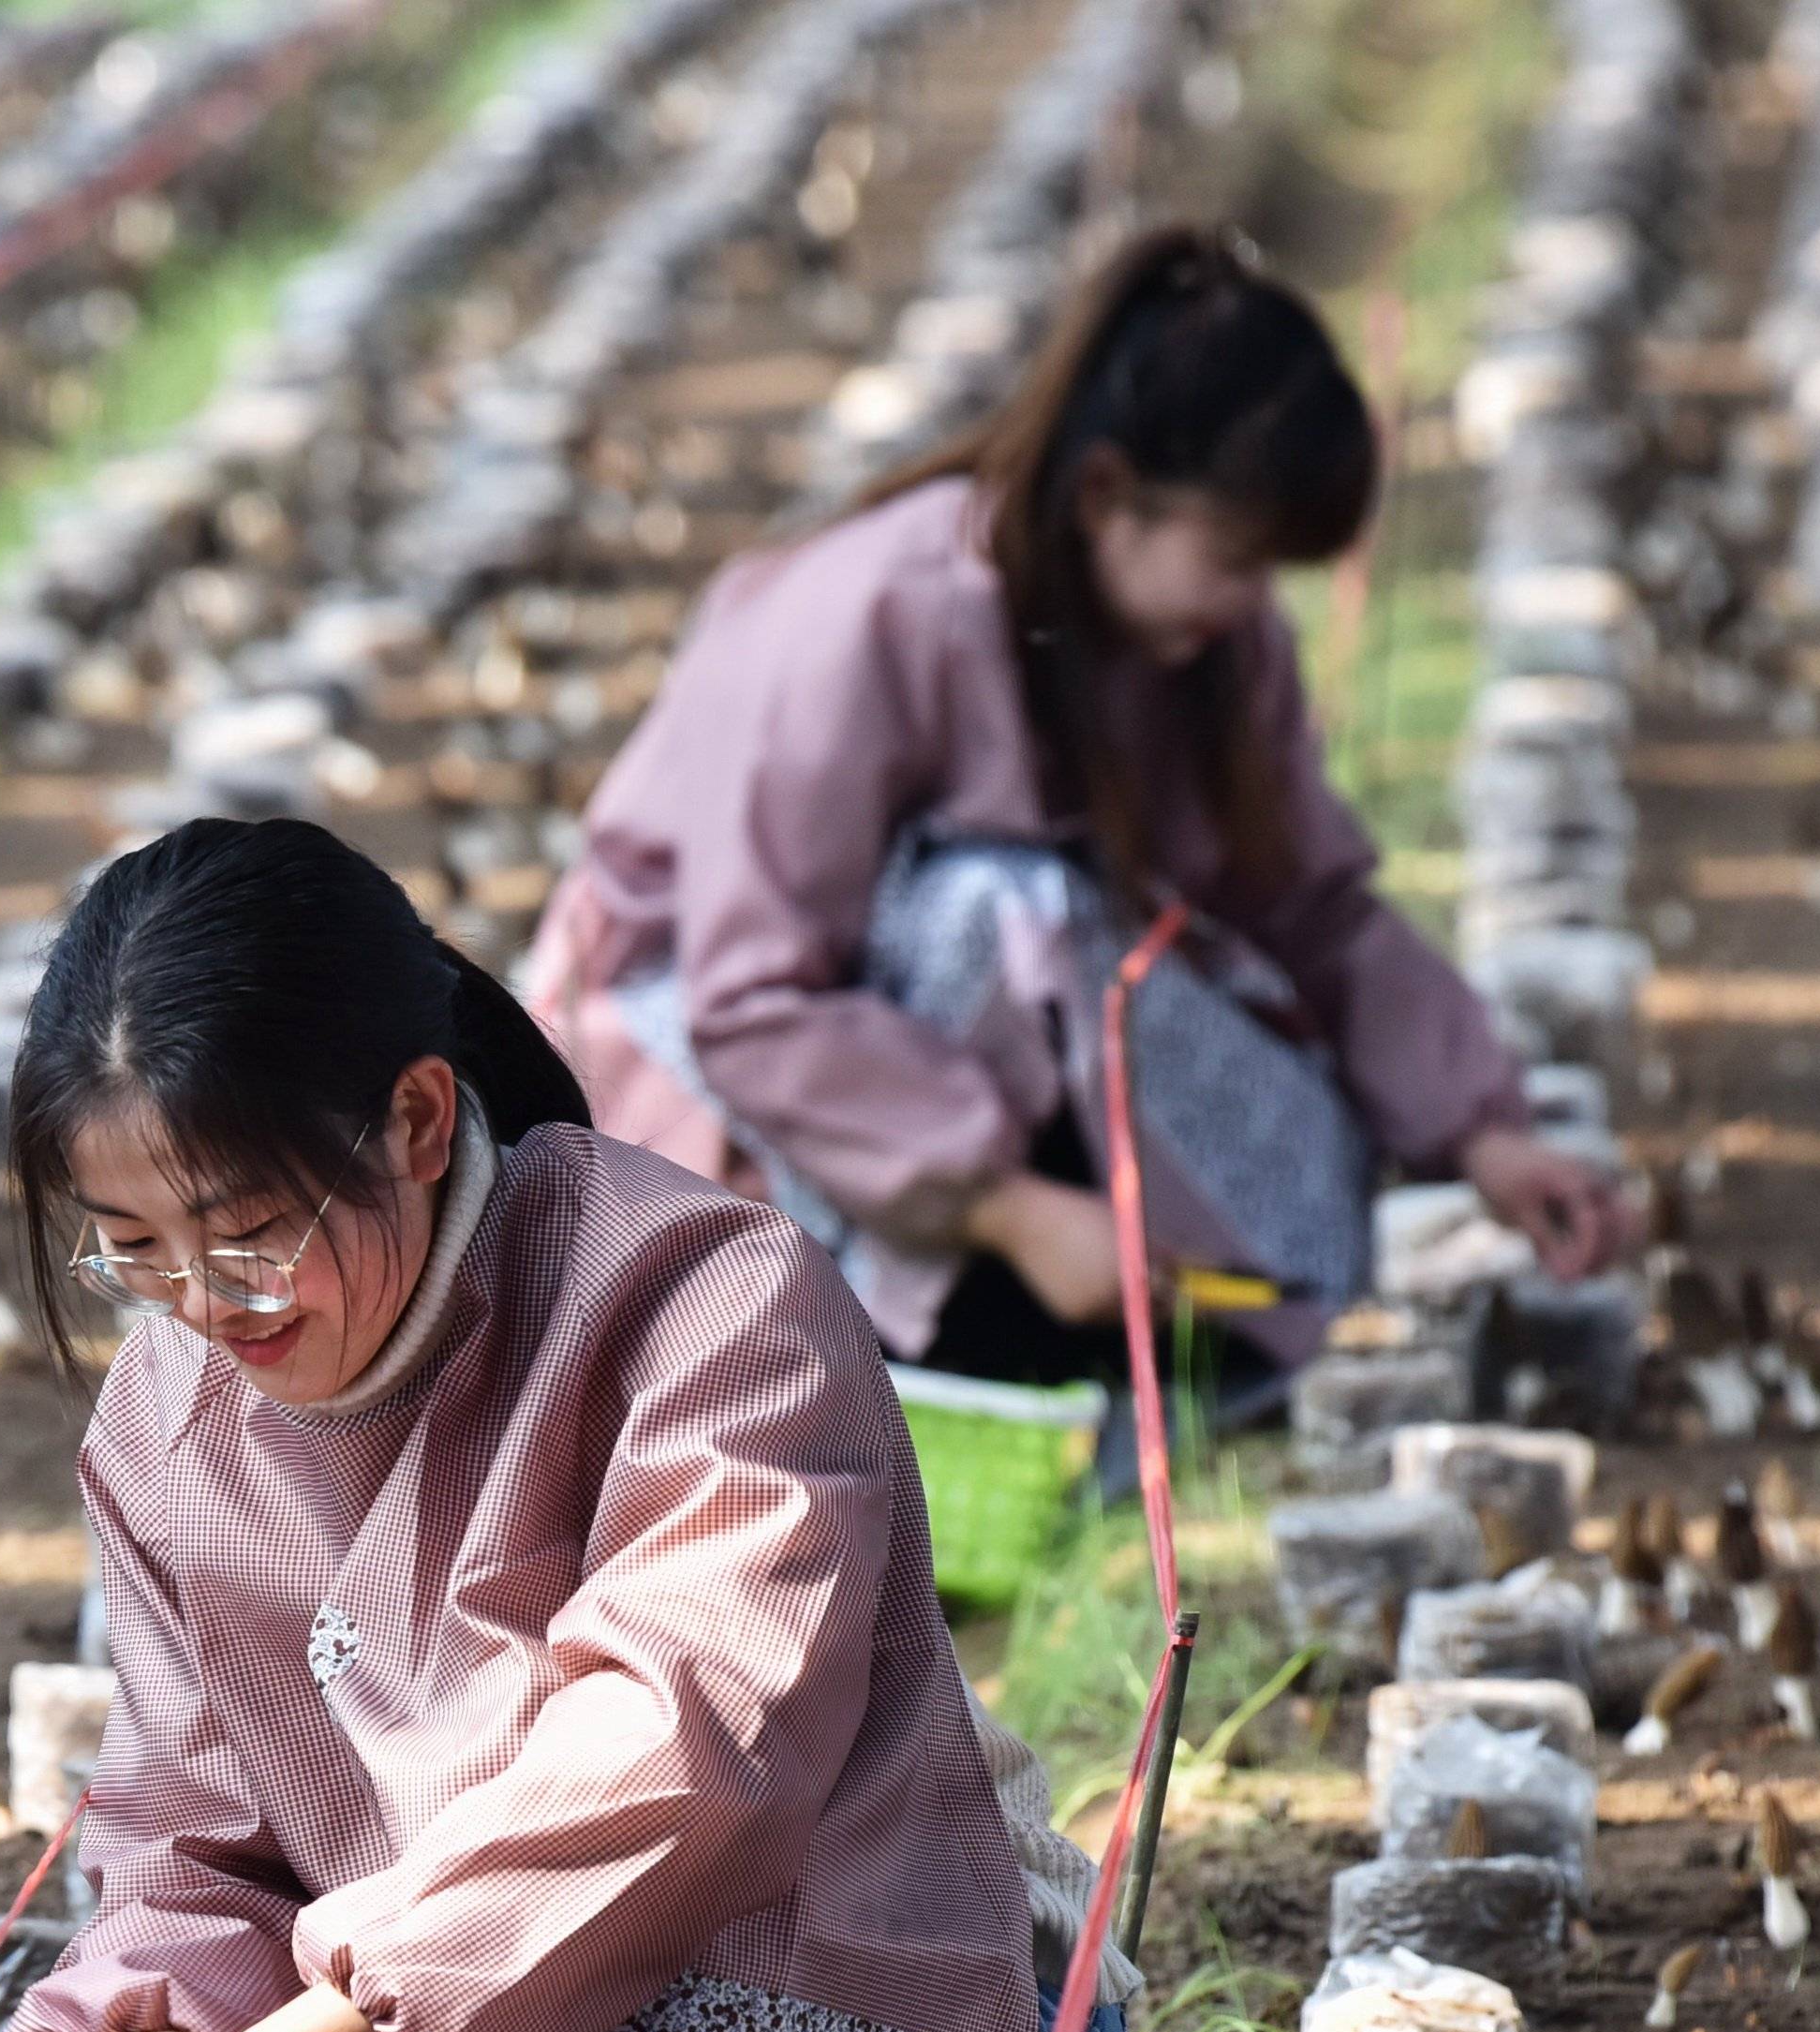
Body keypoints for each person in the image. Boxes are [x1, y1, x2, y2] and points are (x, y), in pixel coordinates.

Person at [0, 813, 1077, 2032]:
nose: (204, 1310)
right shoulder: (169, 1414)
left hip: (760, 2026)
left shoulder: (706, 1307)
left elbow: (681, 1774)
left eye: (245, 1236)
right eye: (133, 1257)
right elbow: (188, 1844)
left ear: (415, 1120)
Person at [532, 224, 1634, 1403]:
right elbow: (751, 1003)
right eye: (1235, 560)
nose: (1256, 605)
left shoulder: (1206, 640)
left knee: (1304, 1213)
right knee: (1003, 914)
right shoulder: (877, 617)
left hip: (953, 1054)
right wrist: (1008, 1210)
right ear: (1109, 494)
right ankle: (930, 1340)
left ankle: (1088, 1325)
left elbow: (1304, 901)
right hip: (706, 1049)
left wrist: (1482, 1132)